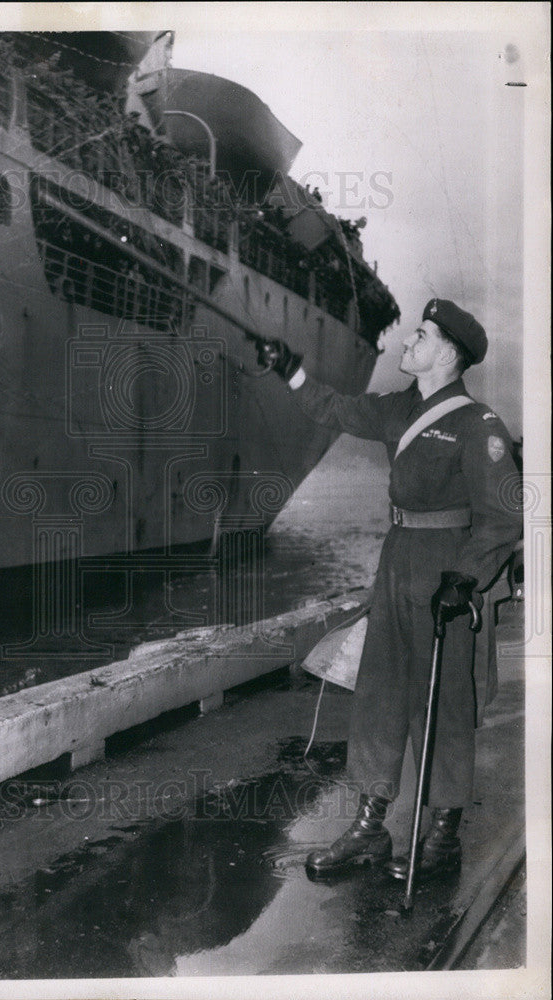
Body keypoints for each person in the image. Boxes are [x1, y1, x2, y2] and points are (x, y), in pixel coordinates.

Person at [257, 299, 522, 880]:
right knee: (379, 693)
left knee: (444, 704)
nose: (405, 343)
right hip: (397, 562)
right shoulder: (399, 410)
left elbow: (504, 520)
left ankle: (442, 838)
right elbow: (337, 409)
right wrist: (290, 369)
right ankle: (368, 829)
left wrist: (467, 579)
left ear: (447, 353)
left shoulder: (480, 427)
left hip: (447, 572)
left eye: (419, 336)